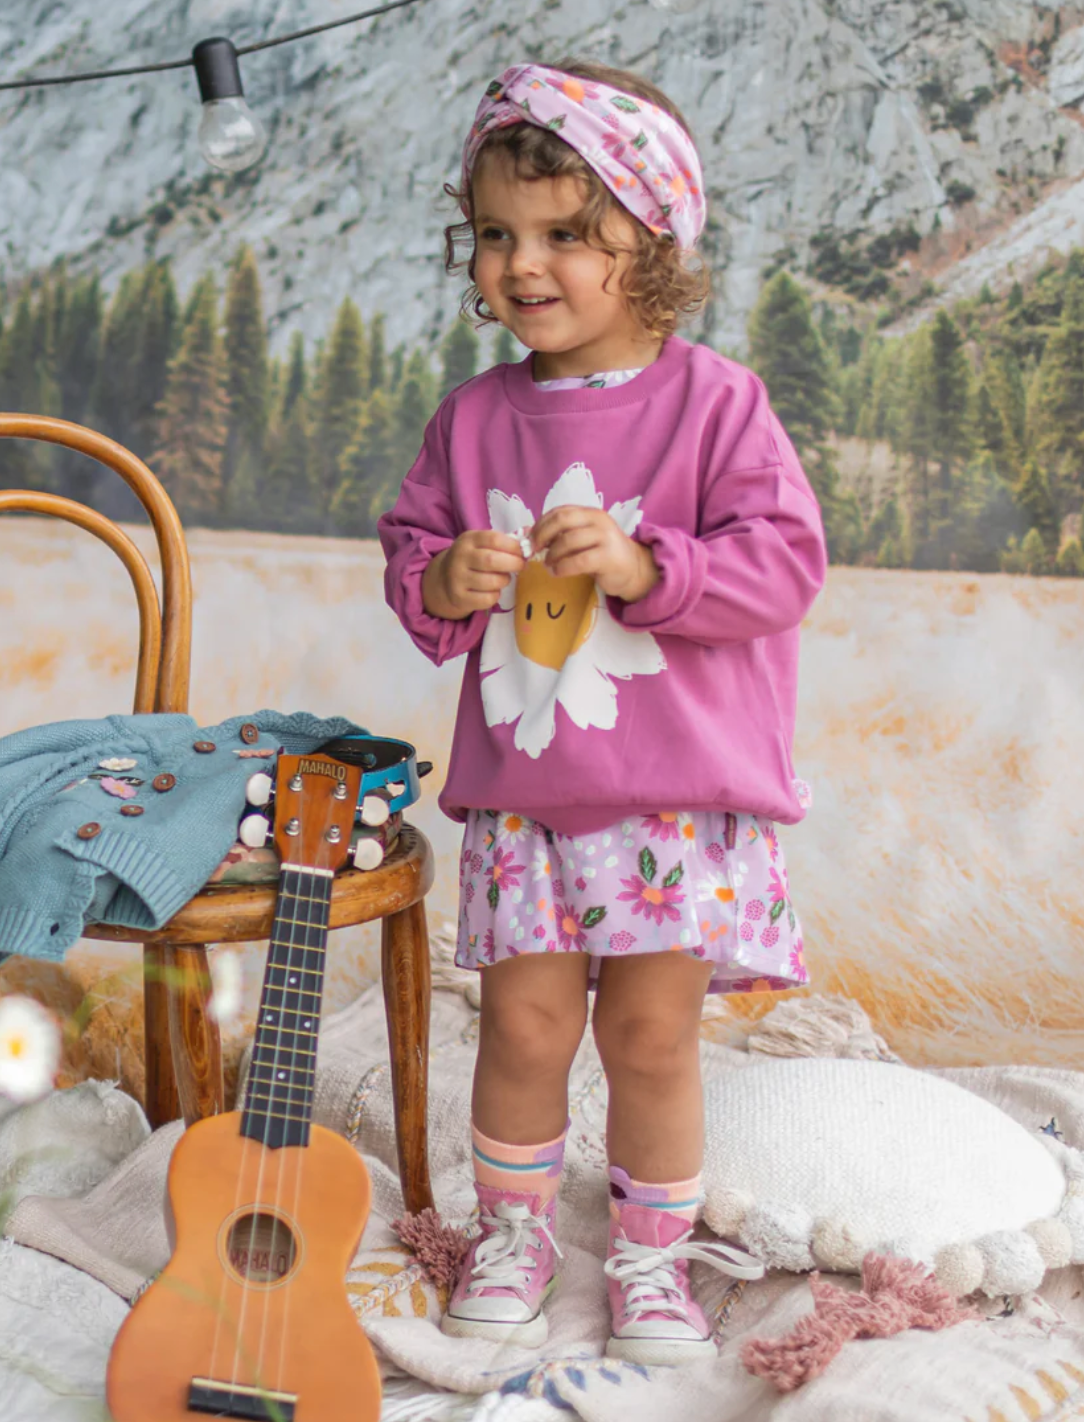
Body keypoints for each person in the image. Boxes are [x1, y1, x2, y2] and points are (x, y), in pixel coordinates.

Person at [376, 59, 827, 1365]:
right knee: (519, 1024)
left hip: (675, 797)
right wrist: (444, 577)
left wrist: (650, 568)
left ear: (653, 241)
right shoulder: (472, 421)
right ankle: (513, 1236)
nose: (526, 263)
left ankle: (649, 1262)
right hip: (528, 799)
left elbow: (784, 564)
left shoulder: (715, 405)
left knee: (649, 1034)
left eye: (569, 233)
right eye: (500, 234)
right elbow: (415, 567)